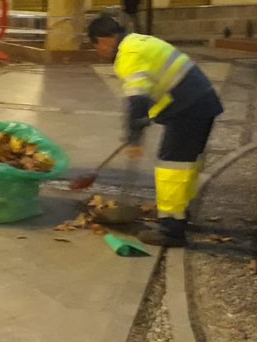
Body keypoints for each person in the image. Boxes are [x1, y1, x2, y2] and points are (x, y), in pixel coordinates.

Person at [87, 15, 223, 248]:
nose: (99, 52)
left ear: (104, 40)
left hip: (188, 109)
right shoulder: (138, 41)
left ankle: (171, 230)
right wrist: (142, 121)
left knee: (171, 168)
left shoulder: (128, 55)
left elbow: (137, 99)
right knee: (186, 165)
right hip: (200, 104)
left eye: (96, 46)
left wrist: (134, 138)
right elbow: (152, 86)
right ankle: (180, 216)